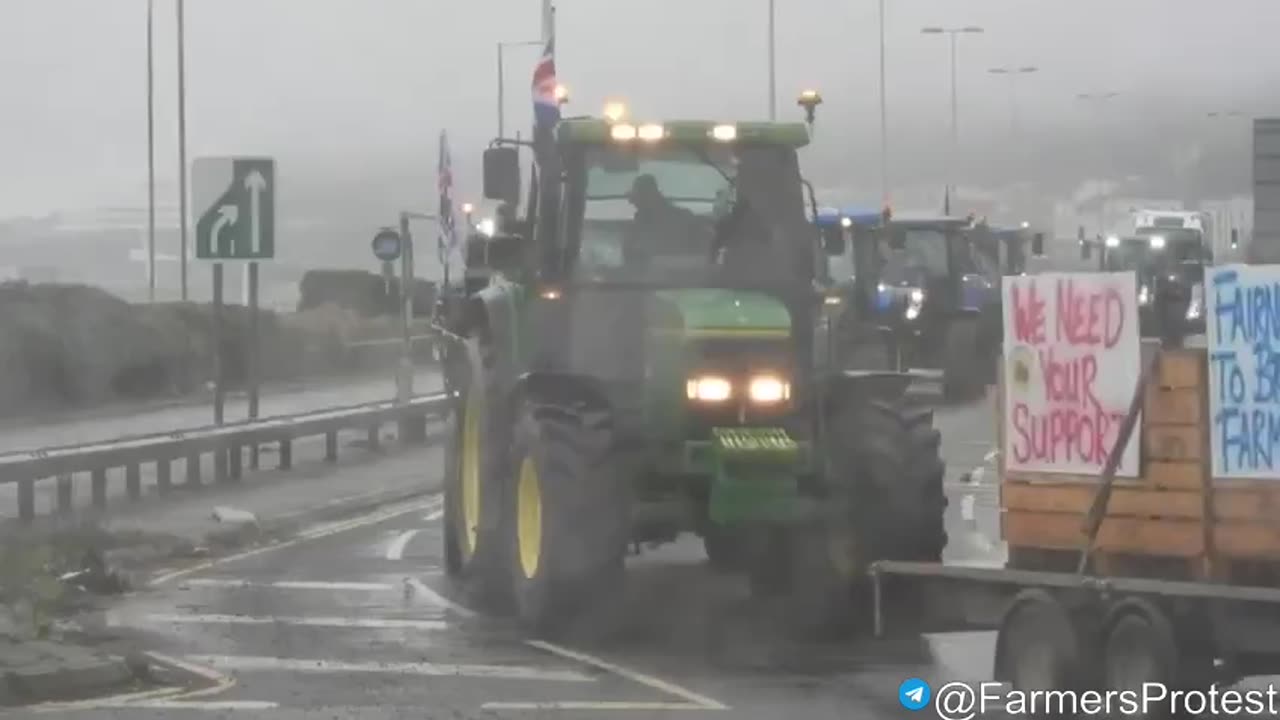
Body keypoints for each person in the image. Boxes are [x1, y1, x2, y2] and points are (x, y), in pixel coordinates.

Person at [623, 174, 702, 263]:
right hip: (688, 272)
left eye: (635, 200)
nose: (632, 203)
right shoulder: (685, 215)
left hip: (655, 274)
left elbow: (630, 258)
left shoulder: (639, 226)